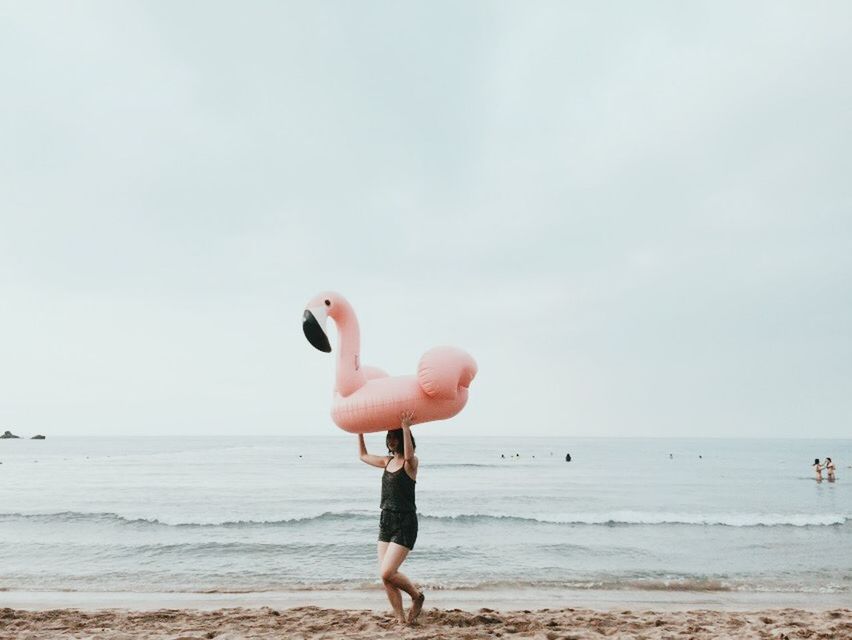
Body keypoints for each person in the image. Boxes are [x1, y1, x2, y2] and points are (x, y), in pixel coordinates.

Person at [357, 411, 424, 625]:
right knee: (385, 577)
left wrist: (405, 426)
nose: (391, 440)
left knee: (388, 572)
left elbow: (409, 455)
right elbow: (363, 456)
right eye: (389, 437)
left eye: (394, 437)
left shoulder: (410, 464)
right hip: (386, 520)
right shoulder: (387, 461)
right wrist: (359, 432)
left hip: (405, 523)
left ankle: (416, 596)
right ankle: (400, 619)